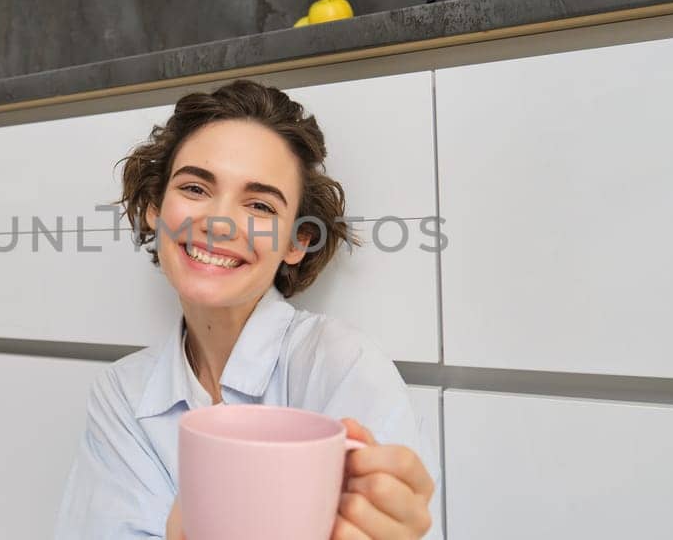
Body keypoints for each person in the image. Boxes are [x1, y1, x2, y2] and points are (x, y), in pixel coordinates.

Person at [55, 80, 440, 539]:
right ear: (155, 210)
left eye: (259, 205)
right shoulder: (121, 395)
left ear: (297, 242)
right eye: (195, 188)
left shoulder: (341, 366)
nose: (219, 223)